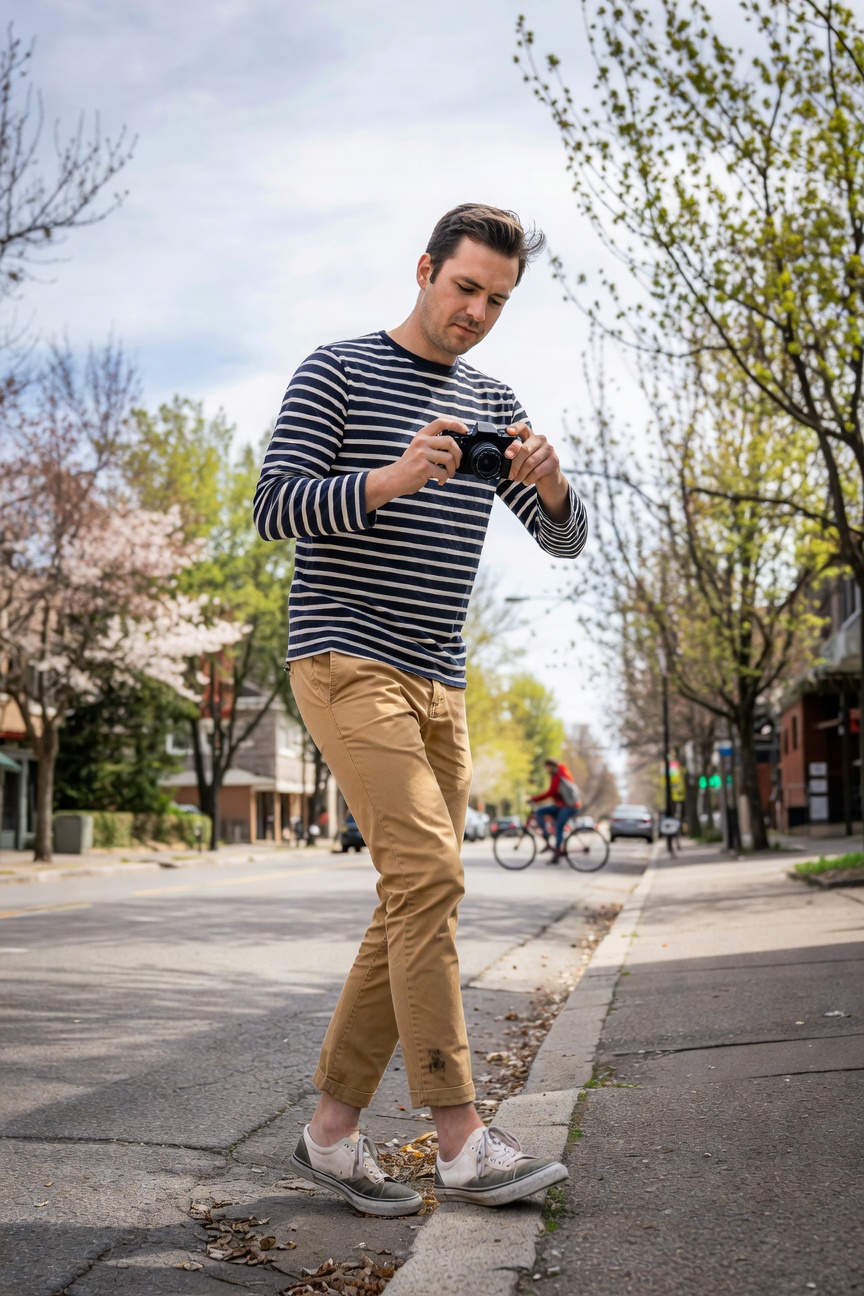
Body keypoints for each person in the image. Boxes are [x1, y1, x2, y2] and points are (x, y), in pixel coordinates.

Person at [253, 203, 588, 1216]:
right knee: (433, 875)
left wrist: (554, 484)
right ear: (425, 269)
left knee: (410, 897)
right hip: (345, 656)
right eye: (464, 288)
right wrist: (392, 478)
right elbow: (274, 506)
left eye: (497, 298)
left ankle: (330, 1135)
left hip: (442, 678)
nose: (477, 312)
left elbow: (563, 541)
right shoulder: (339, 369)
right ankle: (459, 1136)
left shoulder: (495, 397)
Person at [528, 759, 581, 863]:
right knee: (540, 811)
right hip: (562, 805)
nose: (545, 769)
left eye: (546, 767)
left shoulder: (558, 775)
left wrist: (535, 798)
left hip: (570, 806)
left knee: (559, 826)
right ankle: (548, 840)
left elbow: (551, 792)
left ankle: (557, 849)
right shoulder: (556, 774)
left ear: (551, 766)